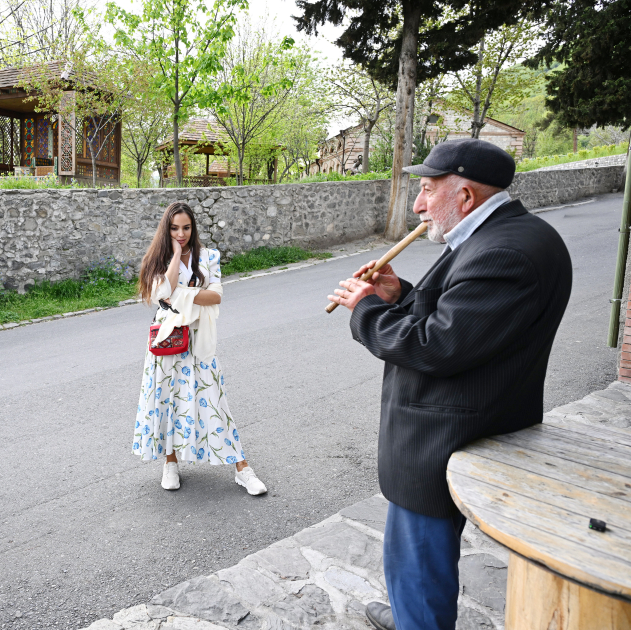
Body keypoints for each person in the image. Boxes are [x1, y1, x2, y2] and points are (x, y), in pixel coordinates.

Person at [327, 139, 572, 630]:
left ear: (464, 196)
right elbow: (465, 322)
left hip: (446, 433)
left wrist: (367, 310)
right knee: (413, 561)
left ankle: (417, 620)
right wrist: (398, 295)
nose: (417, 206)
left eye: (425, 190)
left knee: (419, 561)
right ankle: (410, 614)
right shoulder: (499, 235)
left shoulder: (505, 252)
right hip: (455, 423)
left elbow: (436, 347)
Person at [134, 201, 267, 496]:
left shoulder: (209, 256)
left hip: (199, 343)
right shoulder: (158, 258)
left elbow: (216, 296)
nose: (181, 234)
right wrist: (177, 258)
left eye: (186, 228)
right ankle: (170, 463)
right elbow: (161, 295)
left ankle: (242, 469)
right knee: (168, 401)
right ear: (165, 229)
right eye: (174, 228)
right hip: (168, 341)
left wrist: (178, 296)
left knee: (215, 403)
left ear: (193, 227)